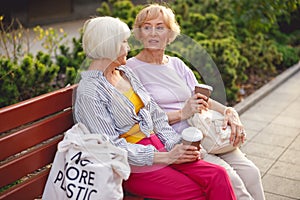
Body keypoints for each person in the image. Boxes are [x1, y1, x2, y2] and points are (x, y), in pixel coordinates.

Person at [73, 16, 236, 200]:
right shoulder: (90, 91)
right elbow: (111, 147)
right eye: (124, 42)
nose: (128, 47)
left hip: (159, 146)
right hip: (131, 164)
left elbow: (156, 115)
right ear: (108, 46)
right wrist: (165, 157)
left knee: (218, 176)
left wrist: (177, 147)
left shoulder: (125, 73)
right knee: (196, 192)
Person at [126, 4, 265, 200]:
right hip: (180, 141)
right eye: (147, 27)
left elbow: (202, 98)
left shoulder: (176, 64)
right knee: (232, 181)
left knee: (251, 172)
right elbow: (140, 120)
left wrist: (229, 111)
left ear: (170, 33)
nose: (153, 33)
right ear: (139, 33)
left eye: (160, 27)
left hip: (206, 130)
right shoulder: (132, 70)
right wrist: (182, 114)